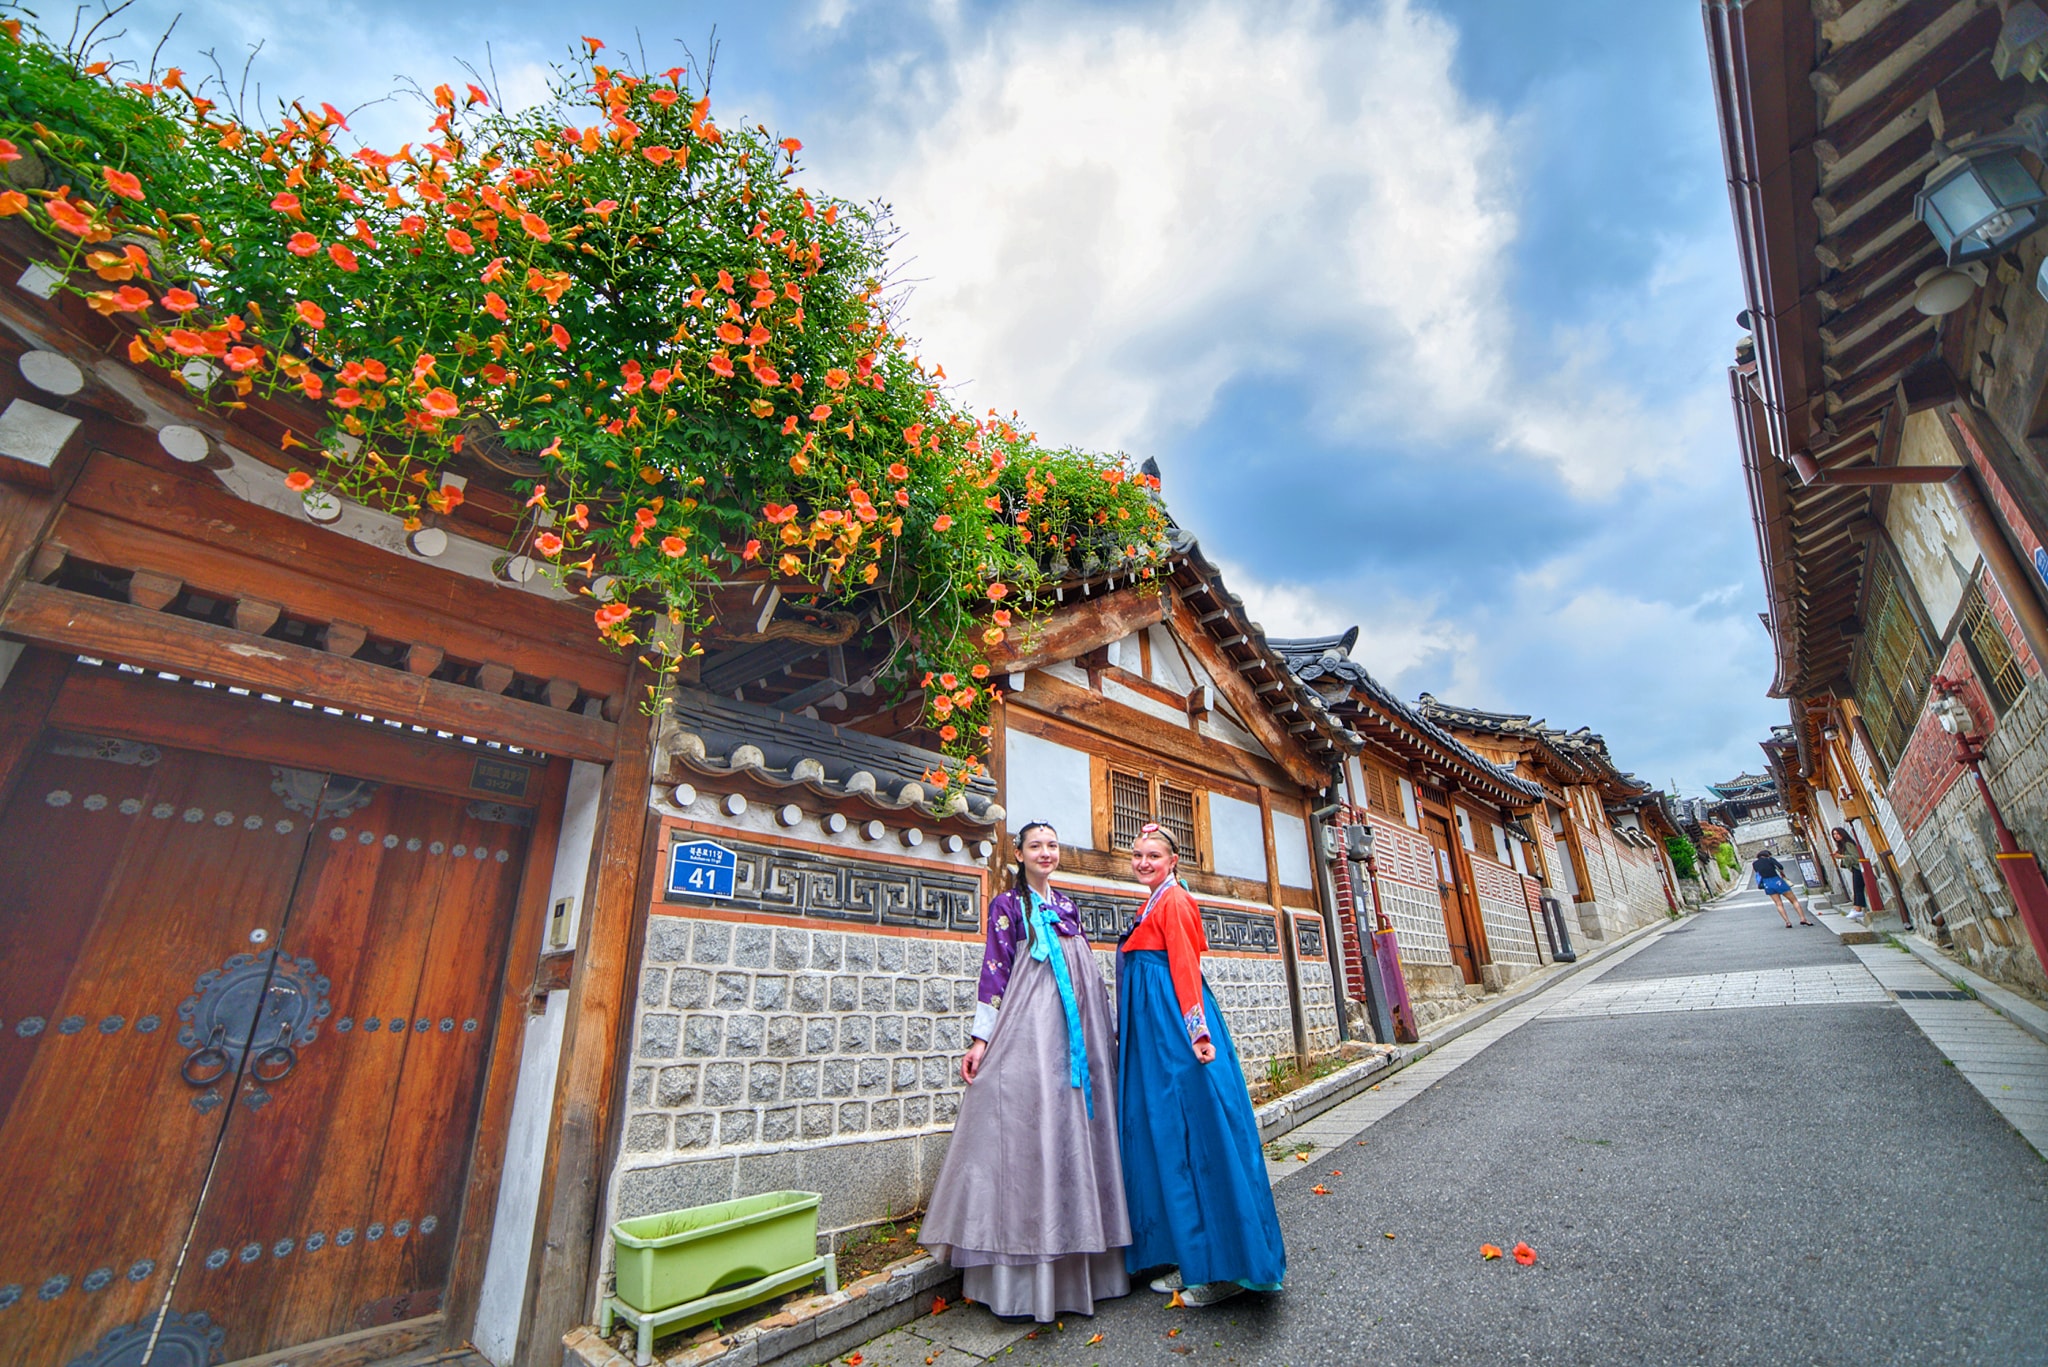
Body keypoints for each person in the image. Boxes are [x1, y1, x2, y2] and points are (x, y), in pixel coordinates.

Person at [919, 821, 1130, 1320]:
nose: (1046, 852)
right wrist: (980, 1040)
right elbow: (994, 971)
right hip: (1029, 1038)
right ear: (1019, 853)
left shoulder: (1068, 907)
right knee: (1025, 1130)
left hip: (1075, 1043)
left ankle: (1083, 1257)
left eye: (1053, 845)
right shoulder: (1007, 907)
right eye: (1036, 845)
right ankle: (1021, 1267)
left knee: (1075, 1132)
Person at [1116, 823, 1285, 1308]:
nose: (1143, 862)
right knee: (1166, 1138)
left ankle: (1226, 1267)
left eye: (1153, 855)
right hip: (1154, 1035)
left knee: (1198, 1137)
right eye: (1137, 854)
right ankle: (1191, 1257)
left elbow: (1186, 969)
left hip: (1176, 1034)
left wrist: (1199, 1033)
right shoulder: (1154, 900)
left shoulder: (1174, 901)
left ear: (1173, 862)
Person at [1751, 846, 1811, 928]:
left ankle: (1787, 922)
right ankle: (1803, 918)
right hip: (1777, 881)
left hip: (1767, 884)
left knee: (1778, 904)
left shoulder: (1755, 864)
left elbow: (1758, 872)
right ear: (1768, 855)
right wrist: (1782, 873)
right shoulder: (1770, 859)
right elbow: (1780, 867)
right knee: (1794, 900)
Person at [1831, 826, 1869, 922]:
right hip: (1856, 868)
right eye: (1834, 834)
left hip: (1858, 868)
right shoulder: (1843, 845)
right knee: (1857, 888)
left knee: (1857, 888)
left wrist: (1842, 856)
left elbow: (1856, 857)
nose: (1836, 836)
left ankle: (1858, 909)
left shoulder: (1848, 844)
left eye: (1837, 833)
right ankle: (1857, 908)